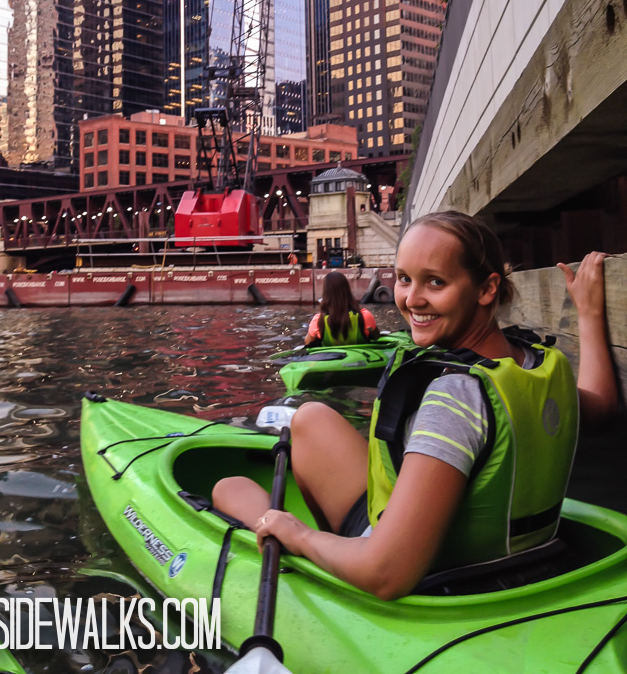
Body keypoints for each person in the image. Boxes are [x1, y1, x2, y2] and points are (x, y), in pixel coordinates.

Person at [213, 210, 618, 600]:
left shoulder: (456, 396)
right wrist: (587, 312)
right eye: (405, 279)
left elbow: (386, 573)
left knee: (230, 488)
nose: (411, 300)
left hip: (439, 576)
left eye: (435, 282)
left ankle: (326, 555)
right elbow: (599, 407)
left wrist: (299, 535)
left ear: (487, 289)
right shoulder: (543, 363)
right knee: (311, 417)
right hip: (521, 559)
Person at [304, 270, 378, 346]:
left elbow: (307, 343)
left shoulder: (318, 320)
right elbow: (377, 338)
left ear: (325, 294)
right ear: (348, 291)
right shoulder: (365, 316)